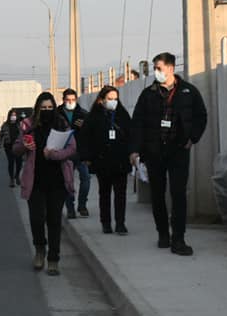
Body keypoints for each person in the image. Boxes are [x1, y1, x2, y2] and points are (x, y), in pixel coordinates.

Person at [129, 52, 208, 256]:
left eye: (159, 68)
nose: (156, 72)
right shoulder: (148, 94)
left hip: (178, 151)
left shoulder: (188, 92)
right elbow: (137, 122)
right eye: (155, 68)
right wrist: (135, 149)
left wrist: (193, 138)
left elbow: (201, 116)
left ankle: (178, 238)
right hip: (154, 151)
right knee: (157, 193)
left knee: (178, 193)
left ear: (171, 69)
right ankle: (163, 233)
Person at [13, 92, 76, 276]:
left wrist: (53, 155)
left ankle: (53, 259)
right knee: (36, 219)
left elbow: (72, 148)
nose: (47, 111)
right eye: (44, 107)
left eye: (50, 107)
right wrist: (25, 145)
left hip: (57, 181)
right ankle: (40, 249)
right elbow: (15, 149)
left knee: (54, 221)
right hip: (36, 181)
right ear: (38, 107)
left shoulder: (62, 124)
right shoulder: (28, 125)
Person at [80, 86, 133, 235]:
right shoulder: (93, 117)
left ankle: (120, 223)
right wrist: (87, 157)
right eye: (110, 99)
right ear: (101, 100)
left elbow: (131, 134)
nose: (113, 102)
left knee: (120, 194)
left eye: (115, 99)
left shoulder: (122, 115)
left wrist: (132, 153)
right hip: (102, 161)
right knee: (104, 193)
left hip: (121, 160)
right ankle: (106, 223)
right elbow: (85, 138)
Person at [61, 88, 91, 219]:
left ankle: (82, 205)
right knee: (68, 182)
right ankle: (70, 208)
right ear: (63, 100)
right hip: (65, 153)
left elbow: (91, 132)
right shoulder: (58, 114)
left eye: (73, 100)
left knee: (86, 179)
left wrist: (85, 126)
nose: (70, 102)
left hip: (81, 153)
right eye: (68, 100)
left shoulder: (83, 114)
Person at [0, 110, 24, 187]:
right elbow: (0, 136)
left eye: (15, 115)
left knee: (19, 162)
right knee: (11, 162)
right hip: (8, 145)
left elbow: (24, 134)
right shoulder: (5, 125)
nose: (13, 117)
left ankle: (17, 176)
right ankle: (11, 179)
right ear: (9, 116)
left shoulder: (19, 125)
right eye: (12, 115)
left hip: (18, 146)